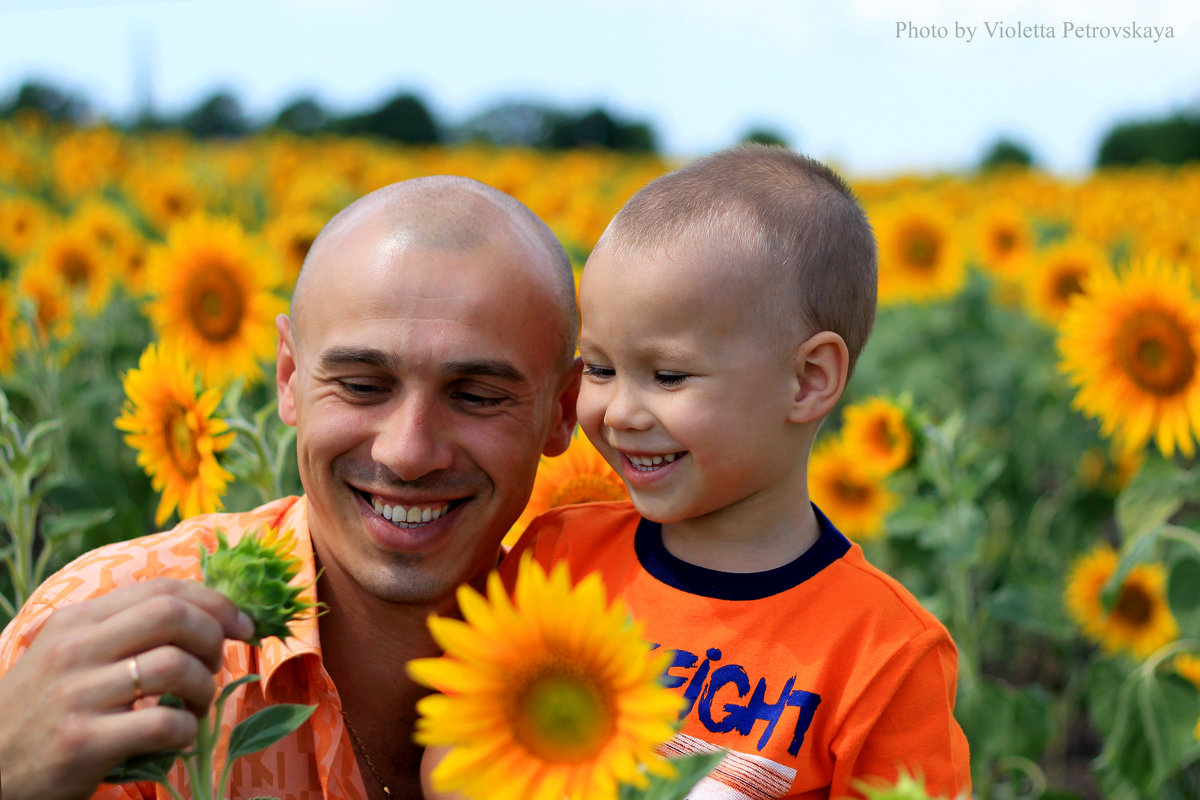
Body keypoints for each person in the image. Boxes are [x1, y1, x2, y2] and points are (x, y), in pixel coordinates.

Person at [0, 176, 581, 800]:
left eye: (476, 396)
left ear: (563, 409)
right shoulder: (117, 652)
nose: (408, 452)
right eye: (362, 385)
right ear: (288, 376)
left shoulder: (644, 662)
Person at [493, 146, 971, 799]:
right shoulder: (555, 560)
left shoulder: (883, 652)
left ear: (807, 380)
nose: (621, 412)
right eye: (600, 368)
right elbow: (454, 748)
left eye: (668, 376)